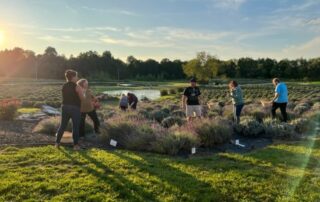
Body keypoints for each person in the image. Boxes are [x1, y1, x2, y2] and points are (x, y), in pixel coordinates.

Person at [55, 69, 84, 150]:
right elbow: (82, 98)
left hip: (65, 107)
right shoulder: (77, 86)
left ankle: (57, 143)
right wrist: (82, 92)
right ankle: (76, 146)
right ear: (73, 77)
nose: (77, 78)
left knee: (62, 126)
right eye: (76, 76)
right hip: (75, 108)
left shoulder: (64, 86)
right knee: (75, 127)